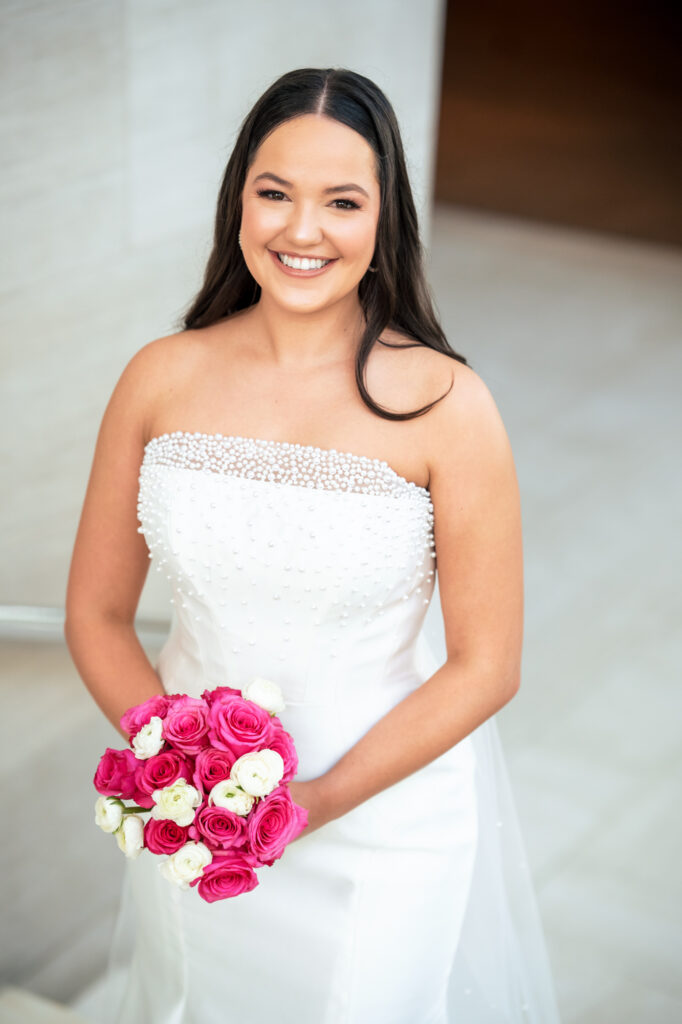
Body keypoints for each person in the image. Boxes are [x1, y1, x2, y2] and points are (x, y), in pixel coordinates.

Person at [65, 66, 561, 1024]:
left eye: (342, 201)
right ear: (238, 200)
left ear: (385, 220)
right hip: (200, 838)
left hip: (383, 831)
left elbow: (488, 665)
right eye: (274, 193)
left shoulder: (448, 405)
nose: (301, 231)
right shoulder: (159, 378)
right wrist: (183, 783)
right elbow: (93, 613)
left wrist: (315, 804)